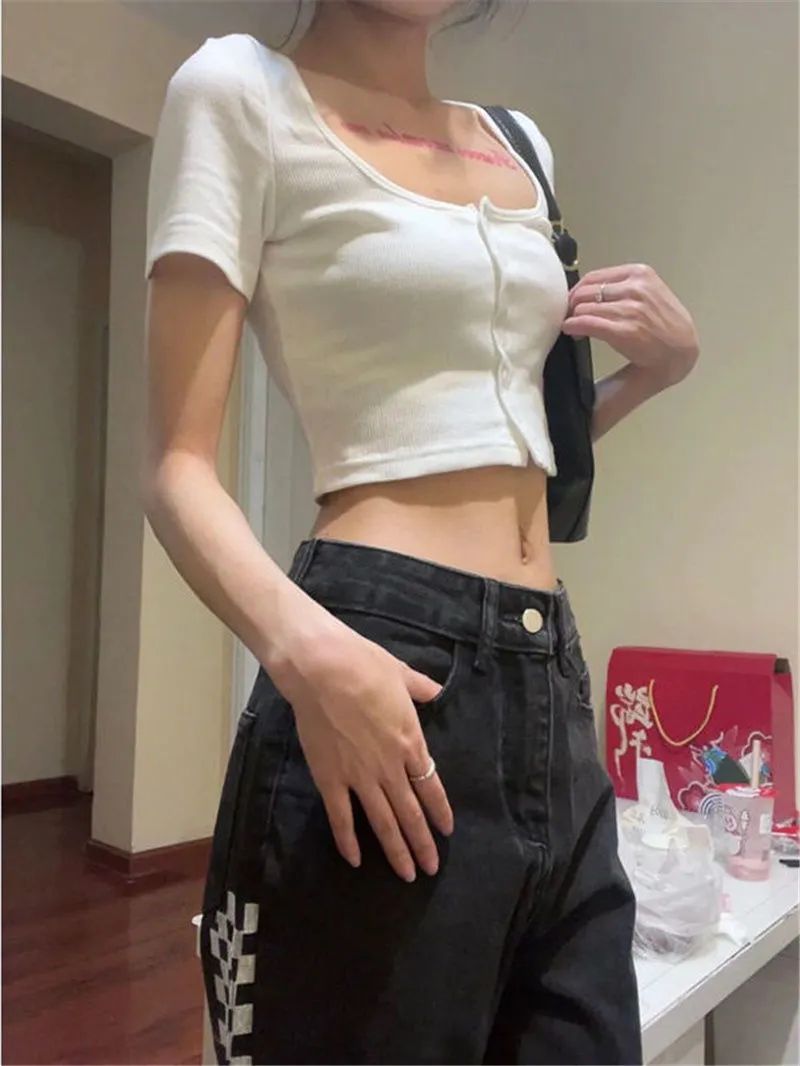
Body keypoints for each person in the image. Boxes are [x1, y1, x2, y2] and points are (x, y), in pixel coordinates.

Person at [142, 2, 700, 1062]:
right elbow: (175, 466)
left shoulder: (519, 145)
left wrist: (651, 376)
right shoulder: (241, 91)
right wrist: (307, 654)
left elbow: (511, 442)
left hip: (548, 672)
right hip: (377, 654)